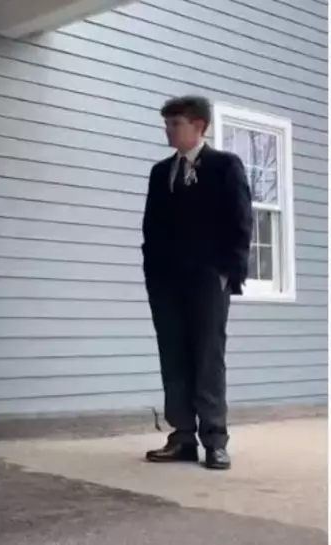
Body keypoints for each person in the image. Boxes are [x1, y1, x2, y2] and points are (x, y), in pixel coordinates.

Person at [141, 95, 252, 471]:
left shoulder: (224, 166)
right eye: (167, 123)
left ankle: (215, 440)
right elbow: (151, 229)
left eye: (176, 123)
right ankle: (182, 437)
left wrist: (228, 273)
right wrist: (152, 274)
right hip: (166, 283)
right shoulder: (161, 172)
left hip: (208, 279)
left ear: (199, 126)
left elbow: (240, 222)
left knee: (207, 358)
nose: (168, 130)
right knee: (173, 357)